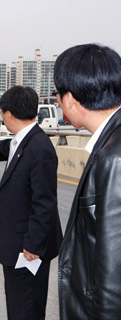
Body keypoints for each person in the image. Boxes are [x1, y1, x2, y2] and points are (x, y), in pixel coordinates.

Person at [0, 85, 63, 320]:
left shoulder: (40, 148)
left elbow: (45, 202)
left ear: (8, 114)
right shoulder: (25, 140)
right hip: (17, 245)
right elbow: (4, 148)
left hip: (27, 249)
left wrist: (33, 246)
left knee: (27, 310)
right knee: (19, 306)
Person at [54, 44, 121, 319]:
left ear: (69, 100)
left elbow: (114, 276)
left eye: (57, 95)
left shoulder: (114, 159)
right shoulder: (111, 141)